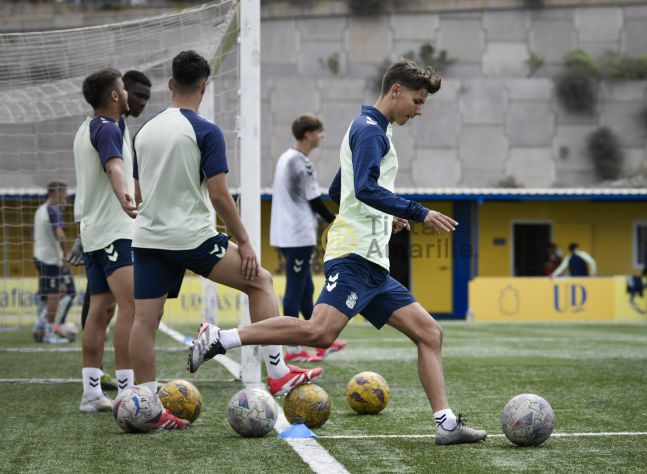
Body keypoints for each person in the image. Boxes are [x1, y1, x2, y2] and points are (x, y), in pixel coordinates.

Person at [189, 59, 488, 446]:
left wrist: (386, 218)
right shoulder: (370, 132)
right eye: (416, 100)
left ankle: (446, 424)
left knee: (429, 333)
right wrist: (417, 212)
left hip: (373, 262)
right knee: (319, 332)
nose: (419, 110)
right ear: (395, 90)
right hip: (354, 256)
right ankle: (220, 337)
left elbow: (339, 191)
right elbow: (362, 188)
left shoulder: (371, 129)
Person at [130, 50, 322, 406]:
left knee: (144, 320)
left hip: (147, 237)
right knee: (260, 281)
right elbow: (219, 195)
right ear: (204, 87)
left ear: (171, 84)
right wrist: (245, 241)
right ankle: (279, 375)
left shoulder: (143, 131)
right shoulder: (206, 131)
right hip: (190, 236)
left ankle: (142, 402)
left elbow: (139, 194)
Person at [68, 69, 152, 391]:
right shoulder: (107, 129)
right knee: (133, 307)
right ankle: (128, 390)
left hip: (93, 233)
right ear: (116, 95)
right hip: (115, 232)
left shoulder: (86, 128)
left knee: (101, 309)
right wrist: (125, 198)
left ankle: (91, 392)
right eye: (125, 90)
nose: (131, 96)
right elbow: (114, 167)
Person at [270, 114, 345, 363]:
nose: (322, 135)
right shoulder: (302, 162)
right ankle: (292, 349)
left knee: (306, 288)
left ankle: (320, 341)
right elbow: (315, 203)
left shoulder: (285, 158)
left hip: (285, 234)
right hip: (297, 235)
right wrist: (338, 222)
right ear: (307, 134)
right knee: (294, 289)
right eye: (319, 131)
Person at [32, 179, 76, 343]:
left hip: (40, 256)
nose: (66, 196)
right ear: (54, 193)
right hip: (50, 259)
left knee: (63, 291)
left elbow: (33, 235)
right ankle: (49, 333)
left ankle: (41, 323)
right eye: (63, 192)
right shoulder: (52, 210)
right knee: (55, 295)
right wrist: (65, 256)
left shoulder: (40, 210)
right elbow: (61, 235)